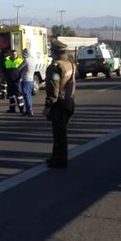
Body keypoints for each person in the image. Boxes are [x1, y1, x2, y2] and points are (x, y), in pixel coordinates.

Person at [43, 39, 76, 168]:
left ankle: (60, 159)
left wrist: (48, 105)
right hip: (69, 101)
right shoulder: (70, 64)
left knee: (59, 133)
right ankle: (56, 156)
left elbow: (53, 89)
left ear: (55, 52)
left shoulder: (55, 67)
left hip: (59, 103)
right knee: (60, 132)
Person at [20, 48, 36, 117]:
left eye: (23, 53)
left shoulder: (26, 60)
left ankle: (29, 110)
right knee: (29, 95)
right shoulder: (32, 60)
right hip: (31, 79)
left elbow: (19, 67)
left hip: (25, 79)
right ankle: (29, 109)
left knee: (26, 95)